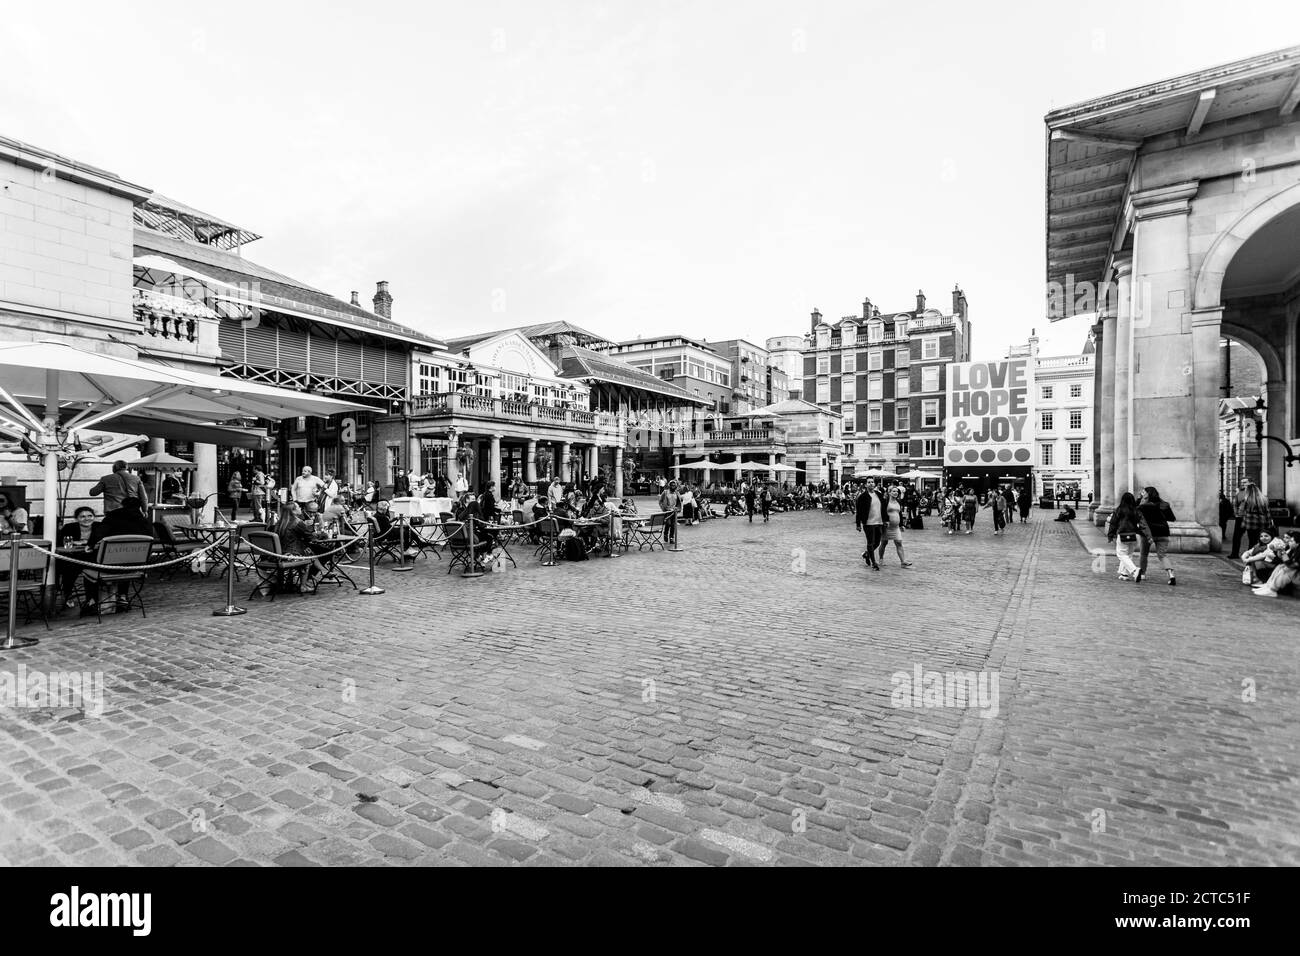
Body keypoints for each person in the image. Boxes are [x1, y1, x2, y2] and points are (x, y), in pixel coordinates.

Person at [82, 498, 155, 613]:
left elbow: (99, 533)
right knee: (125, 560)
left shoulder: (113, 516)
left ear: (122, 505)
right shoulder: (144, 521)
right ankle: (122, 596)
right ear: (139, 507)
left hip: (108, 568)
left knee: (85, 564)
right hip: (135, 567)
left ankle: (91, 600)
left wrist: (90, 545)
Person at [273, 504, 326, 592]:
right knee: (309, 555)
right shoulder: (297, 522)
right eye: (298, 507)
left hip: (276, 555)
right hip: (291, 556)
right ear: (293, 511)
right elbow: (310, 536)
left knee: (308, 551)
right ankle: (303, 585)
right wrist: (322, 534)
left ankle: (323, 570)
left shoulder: (280, 523)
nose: (300, 508)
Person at [56, 506, 99, 608]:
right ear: (77, 518)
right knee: (70, 568)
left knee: (92, 570)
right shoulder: (69, 527)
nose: (86, 519)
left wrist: (84, 542)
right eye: (82, 516)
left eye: (90, 516)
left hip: (92, 557)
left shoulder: (99, 526)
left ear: (94, 517)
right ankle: (67, 594)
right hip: (72, 557)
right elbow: (62, 542)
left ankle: (91, 599)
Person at [1106, 492, 1152, 582]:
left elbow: (1113, 523)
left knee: (1121, 554)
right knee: (1128, 555)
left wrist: (1110, 535)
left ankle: (1134, 570)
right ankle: (1124, 574)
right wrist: (1149, 536)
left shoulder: (1119, 510)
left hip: (1123, 534)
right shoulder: (1136, 511)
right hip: (1134, 535)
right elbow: (1143, 525)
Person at [1136, 486, 1177, 586]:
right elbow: (1172, 518)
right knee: (1162, 555)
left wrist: (1139, 499)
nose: (1142, 493)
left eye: (1143, 492)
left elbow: (1136, 512)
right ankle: (1171, 574)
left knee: (1144, 554)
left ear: (1147, 494)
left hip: (1148, 533)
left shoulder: (1143, 506)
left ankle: (1143, 574)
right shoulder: (1164, 505)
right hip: (1163, 532)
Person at [1253, 532, 1300, 598]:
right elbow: (1285, 561)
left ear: (1298, 543)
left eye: (1292, 541)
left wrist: (1283, 553)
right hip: (1292, 574)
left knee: (1287, 569)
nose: (1289, 542)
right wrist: (1280, 551)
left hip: (1296, 576)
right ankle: (1268, 586)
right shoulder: (1294, 550)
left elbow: (1290, 564)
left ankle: (1272, 589)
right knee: (1281, 566)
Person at [1234, 481, 1271, 559]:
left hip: (1250, 523)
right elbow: (1267, 512)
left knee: (1252, 541)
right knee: (1259, 540)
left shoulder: (1246, 500)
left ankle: (1250, 557)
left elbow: (1241, 511)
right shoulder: (1264, 499)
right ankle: (1259, 556)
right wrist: (1268, 524)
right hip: (1262, 522)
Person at [855, 480, 885, 570]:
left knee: (877, 542)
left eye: (872, 482)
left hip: (879, 522)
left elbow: (883, 507)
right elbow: (859, 511)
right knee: (870, 542)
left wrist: (885, 519)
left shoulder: (878, 494)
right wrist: (858, 524)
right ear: (865, 485)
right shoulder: (862, 497)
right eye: (868, 482)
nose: (871, 483)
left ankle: (866, 554)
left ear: (874, 484)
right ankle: (874, 563)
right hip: (868, 522)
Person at [659, 480, 682, 545]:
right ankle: (665, 534)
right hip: (667, 511)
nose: (673, 486)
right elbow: (660, 501)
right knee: (668, 523)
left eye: (674, 485)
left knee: (673, 525)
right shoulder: (665, 492)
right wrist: (663, 508)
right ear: (669, 486)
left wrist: (677, 508)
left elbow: (679, 502)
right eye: (671, 485)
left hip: (674, 511)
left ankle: (671, 538)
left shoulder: (677, 493)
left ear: (676, 486)